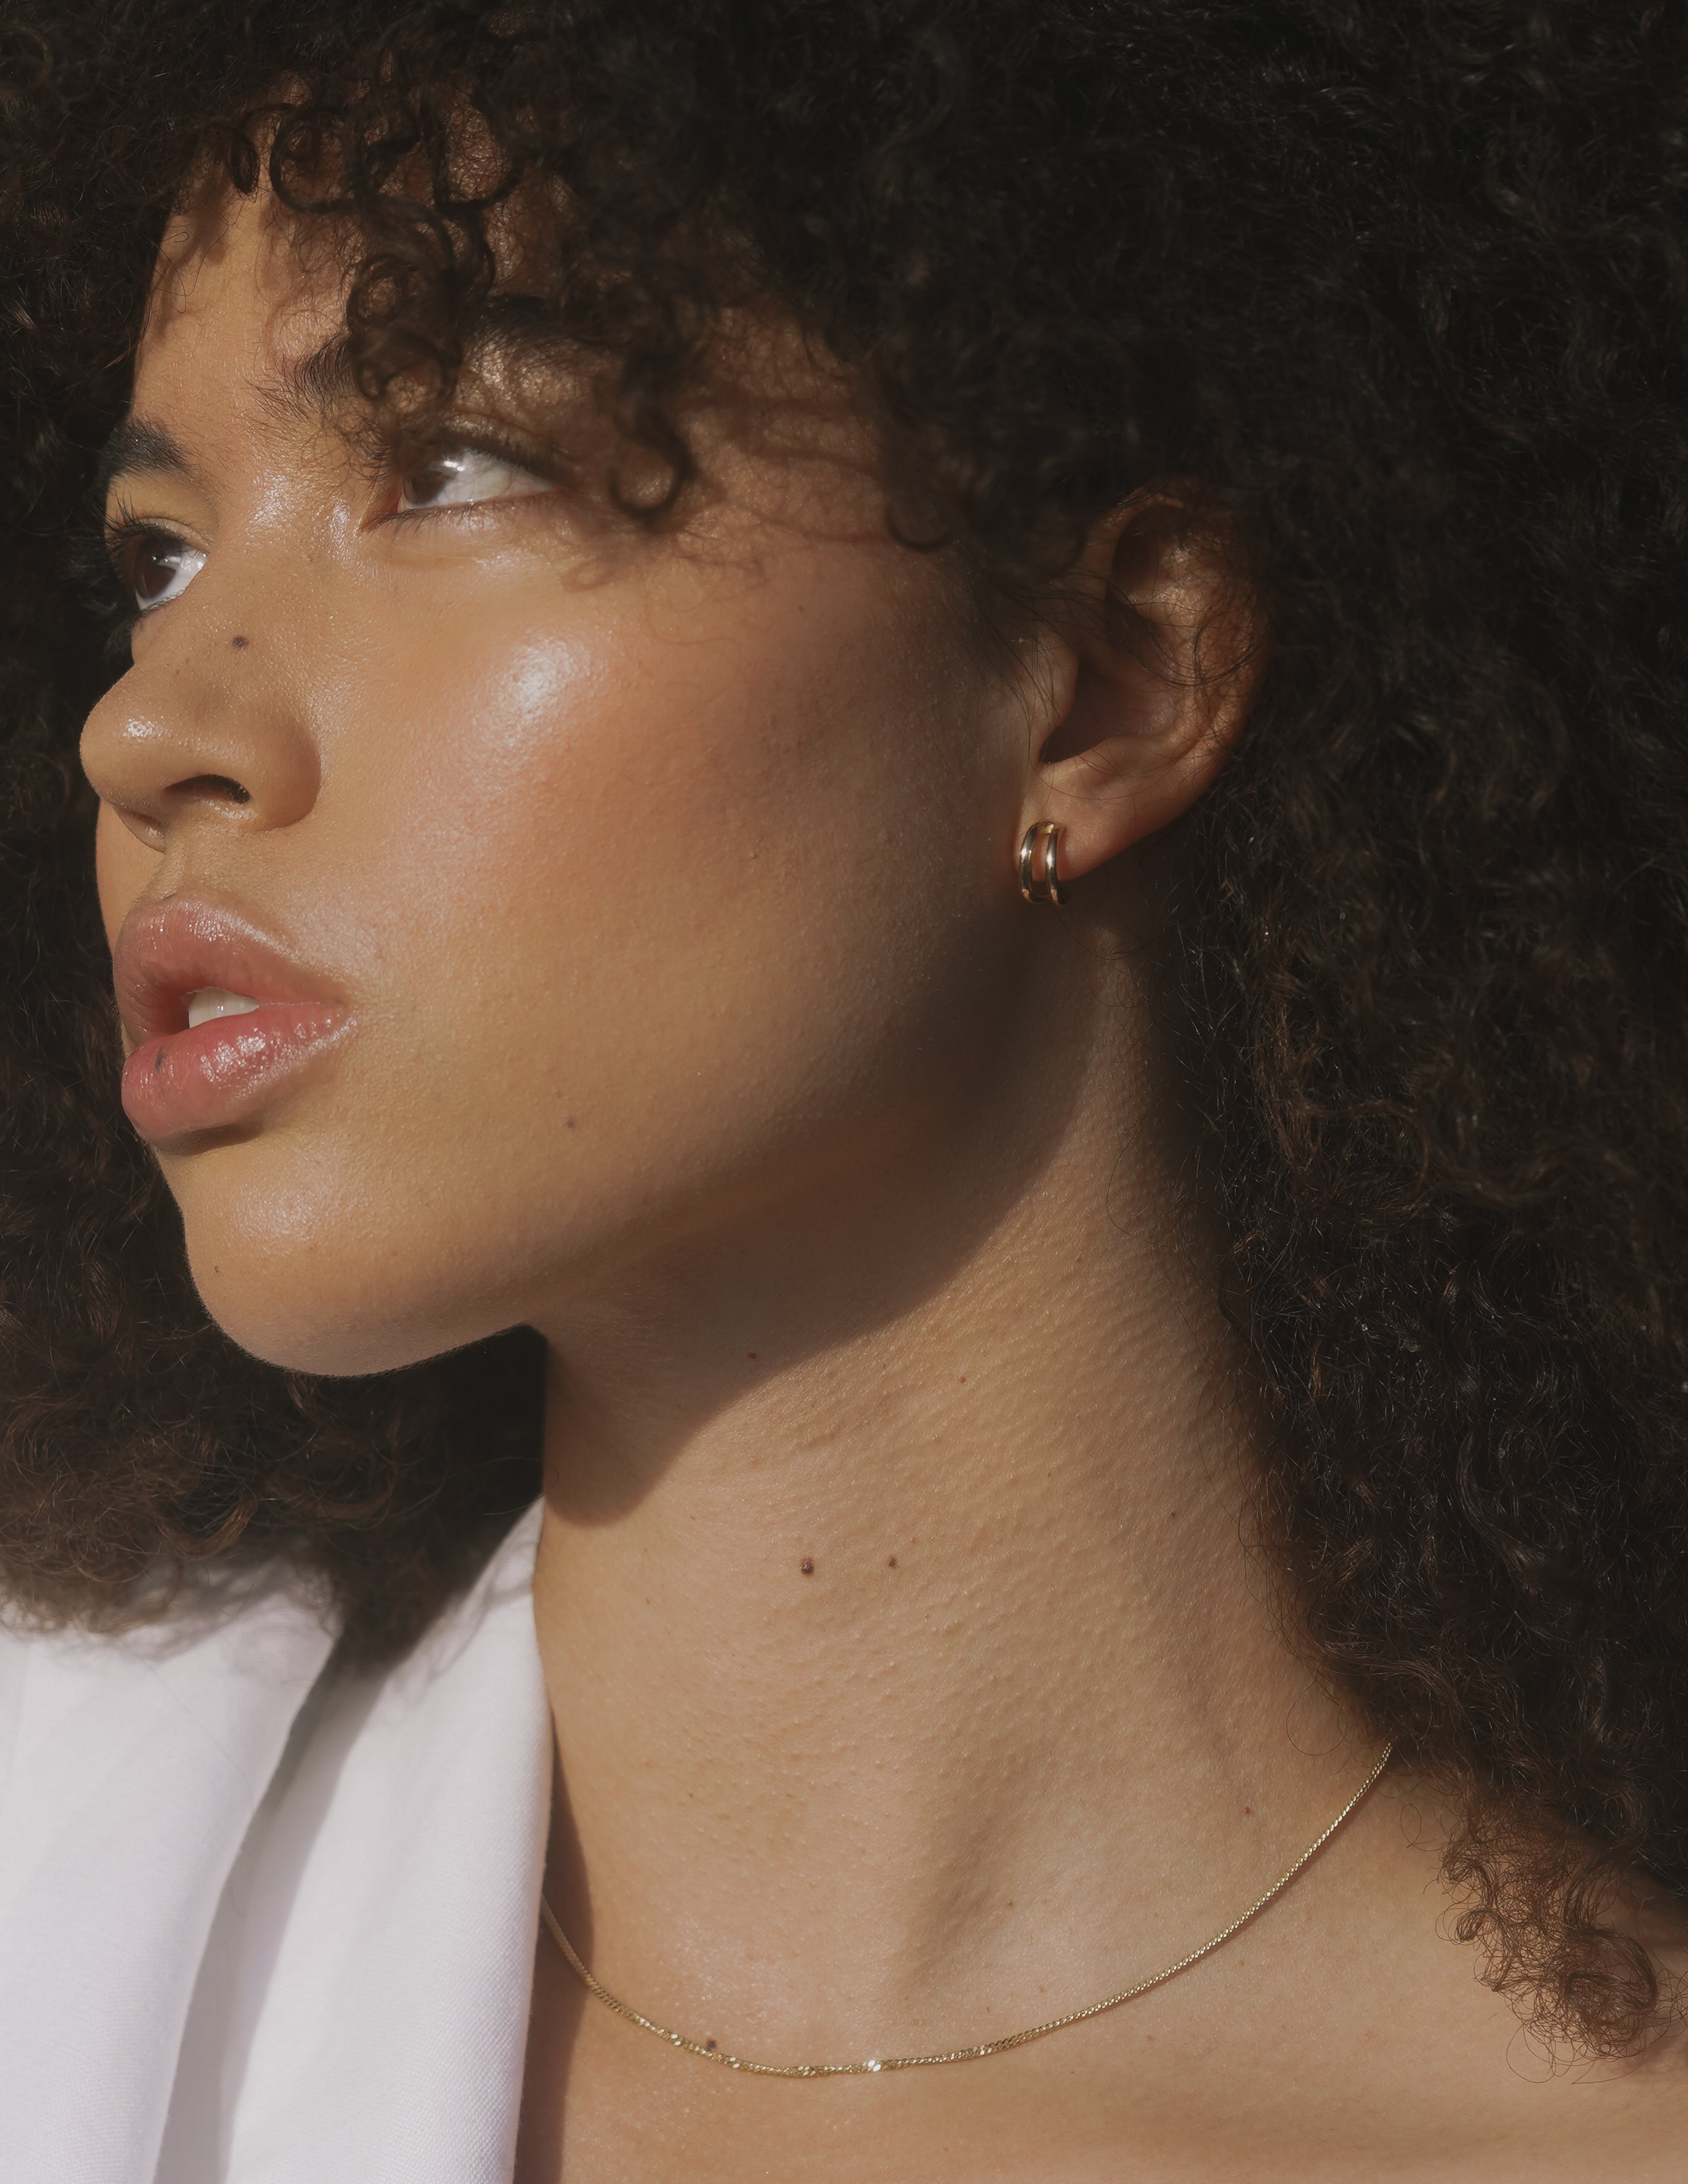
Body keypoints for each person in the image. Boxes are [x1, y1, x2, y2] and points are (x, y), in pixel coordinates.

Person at [0, 3, 1683, 2178]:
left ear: (1102, 678)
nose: (144, 730)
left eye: (453, 468)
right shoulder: (61, 1889)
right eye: (157, 558)